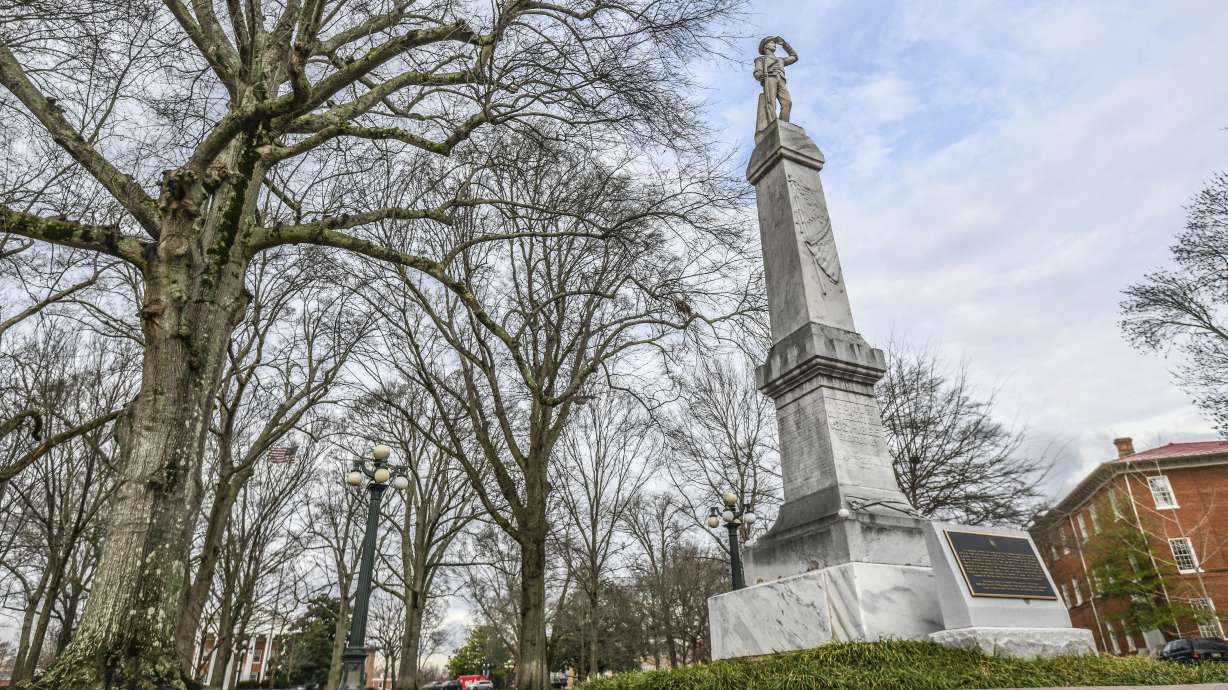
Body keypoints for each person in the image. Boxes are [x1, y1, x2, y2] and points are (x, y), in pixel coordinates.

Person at [753, 35, 799, 132]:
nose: (774, 44)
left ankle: (784, 125)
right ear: (765, 46)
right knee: (771, 103)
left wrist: (785, 45)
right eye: (771, 42)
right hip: (769, 77)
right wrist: (760, 75)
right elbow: (757, 72)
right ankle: (772, 125)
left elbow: (794, 57)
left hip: (781, 80)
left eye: (774, 42)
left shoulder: (780, 60)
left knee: (787, 102)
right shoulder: (761, 59)